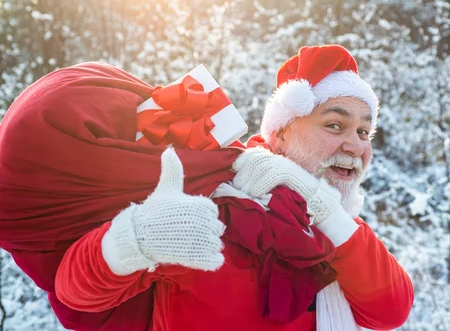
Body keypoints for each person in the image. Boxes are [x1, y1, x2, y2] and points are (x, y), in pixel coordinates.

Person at [54, 45, 414, 330]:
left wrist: (326, 210)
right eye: (335, 125)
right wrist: (136, 236)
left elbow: (390, 310)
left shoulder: (338, 227)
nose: (357, 146)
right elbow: (74, 291)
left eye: (364, 132)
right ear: (282, 133)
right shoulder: (216, 196)